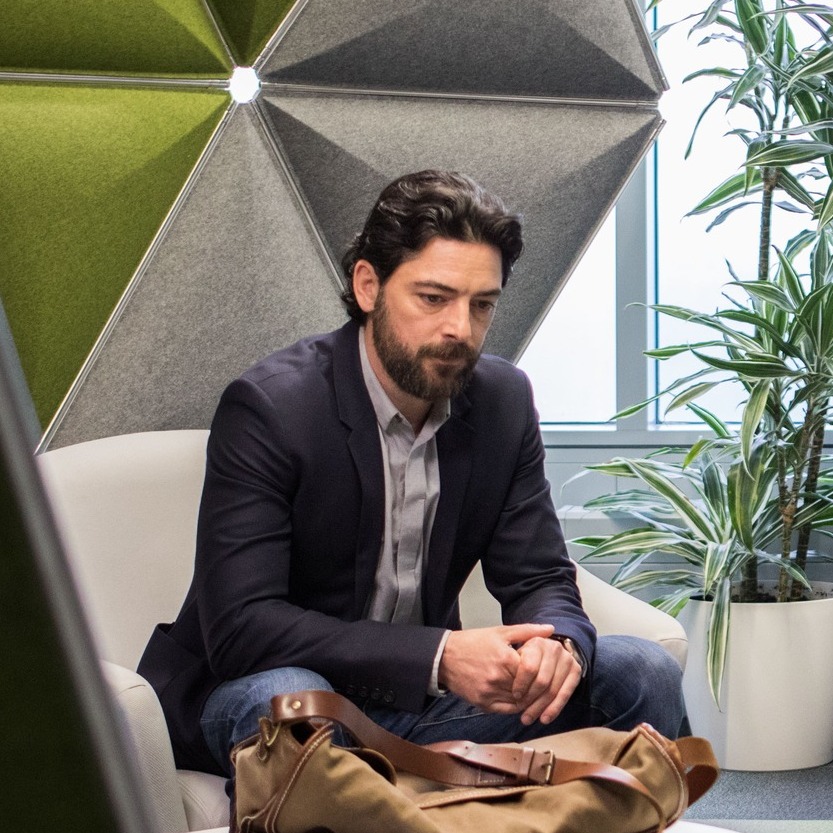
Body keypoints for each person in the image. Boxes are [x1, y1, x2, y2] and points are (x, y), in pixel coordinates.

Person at [137, 169, 687, 782]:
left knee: (641, 671)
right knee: (295, 701)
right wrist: (440, 656)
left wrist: (555, 644)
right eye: (433, 298)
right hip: (258, 694)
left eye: (482, 305)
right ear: (368, 286)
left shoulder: (502, 402)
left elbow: (538, 576)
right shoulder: (272, 408)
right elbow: (242, 627)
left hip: (416, 705)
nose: (460, 329)